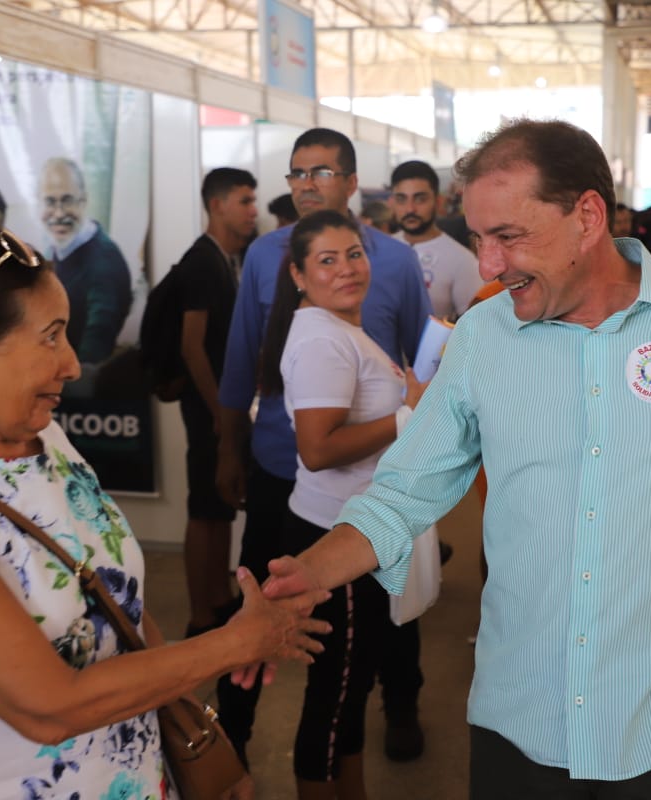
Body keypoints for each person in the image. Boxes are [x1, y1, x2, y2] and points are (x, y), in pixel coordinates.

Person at [249, 119, 651, 800]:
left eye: (509, 236)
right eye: (478, 239)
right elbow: (403, 491)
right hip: (521, 722)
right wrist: (306, 574)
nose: (488, 266)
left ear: (587, 217)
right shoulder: (484, 337)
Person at [0, 221, 329, 799]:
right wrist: (238, 642)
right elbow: (48, 706)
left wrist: (197, 736)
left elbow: (119, 604)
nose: (70, 363)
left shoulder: (41, 435)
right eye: (51, 337)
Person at [215, 128, 432, 766]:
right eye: (297, 173)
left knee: (382, 613)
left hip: (367, 484)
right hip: (280, 461)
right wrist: (229, 448)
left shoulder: (391, 261)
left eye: (322, 172)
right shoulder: (266, 255)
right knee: (259, 601)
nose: (307, 185)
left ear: (352, 182)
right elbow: (242, 357)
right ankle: (231, 740)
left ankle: (401, 705)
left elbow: (417, 358)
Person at [260, 210, 426, 798]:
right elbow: (318, 449)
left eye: (354, 254)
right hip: (334, 538)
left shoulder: (338, 329)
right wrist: (408, 414)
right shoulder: (321, 340)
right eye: (326, 260)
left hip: (358, 534)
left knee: (351, 691)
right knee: (334, 700)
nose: (346, 269)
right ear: (298, 275)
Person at [176, 167, 257, 637]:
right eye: (244, 201)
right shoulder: (202, 262)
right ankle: (201, 613)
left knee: (220, 504)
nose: (252, 211)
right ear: (217, 205)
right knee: (204, 510)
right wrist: (219, 413)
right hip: (206, 410)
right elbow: (192, 346)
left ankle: (219, 600)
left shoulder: (225, 259)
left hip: (218, 410)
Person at [38, 156, 132, 365]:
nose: (59, 213)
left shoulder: (104, 264)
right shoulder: (55, 250)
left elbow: (94, 353)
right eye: (50, 202)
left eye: (67, 200)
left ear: (84, 201)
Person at [389, 160, 482, 320]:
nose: (410, 209)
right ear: (392, 202)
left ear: (438, 201)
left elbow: (475, 324)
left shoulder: (462, 261)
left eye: (420, 199)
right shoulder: (379, 250)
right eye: (401, 199)